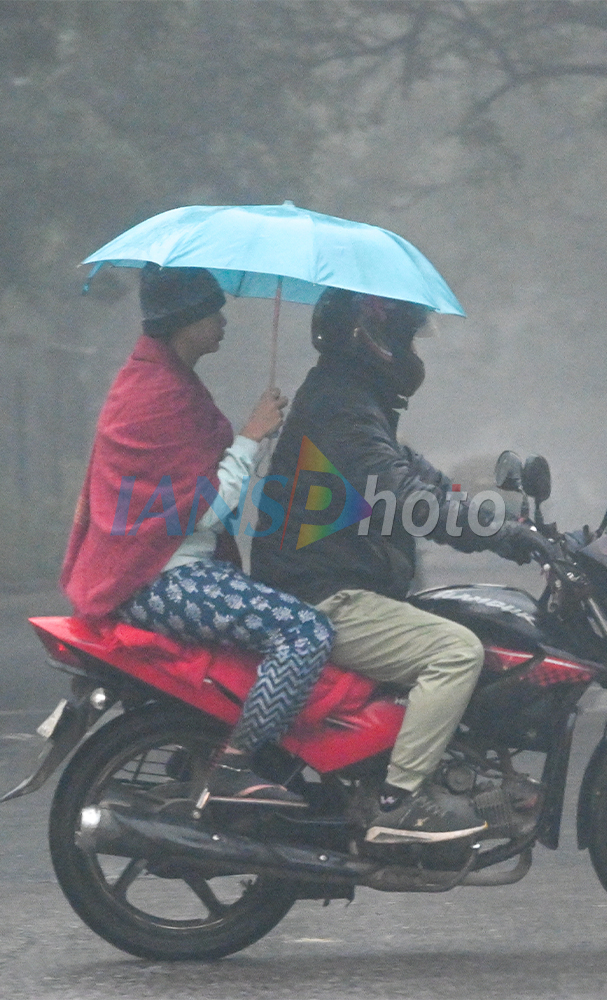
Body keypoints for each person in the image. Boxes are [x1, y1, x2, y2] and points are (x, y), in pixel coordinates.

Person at [251, 288, 542, 842]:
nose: (413, 352)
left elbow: (424, 480)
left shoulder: (351, 403)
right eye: (406, 336)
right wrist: (498, 535)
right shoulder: (340, 407)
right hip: (326, 592)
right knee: (456, 651)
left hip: (335, 582)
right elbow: (408, 497)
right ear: (373, 338)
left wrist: (512, 521)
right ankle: (400, 802)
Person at [60, 264, 334, 805]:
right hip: (158, 577)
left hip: (166, 568)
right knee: (306, 633)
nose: (224, 319)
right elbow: (201, 510)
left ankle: (208, 754)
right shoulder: (158, 394)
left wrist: (253, 442)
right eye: (212, 310)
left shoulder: (162, 382)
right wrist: (250, 438)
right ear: (183, 322)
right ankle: (235, 766)